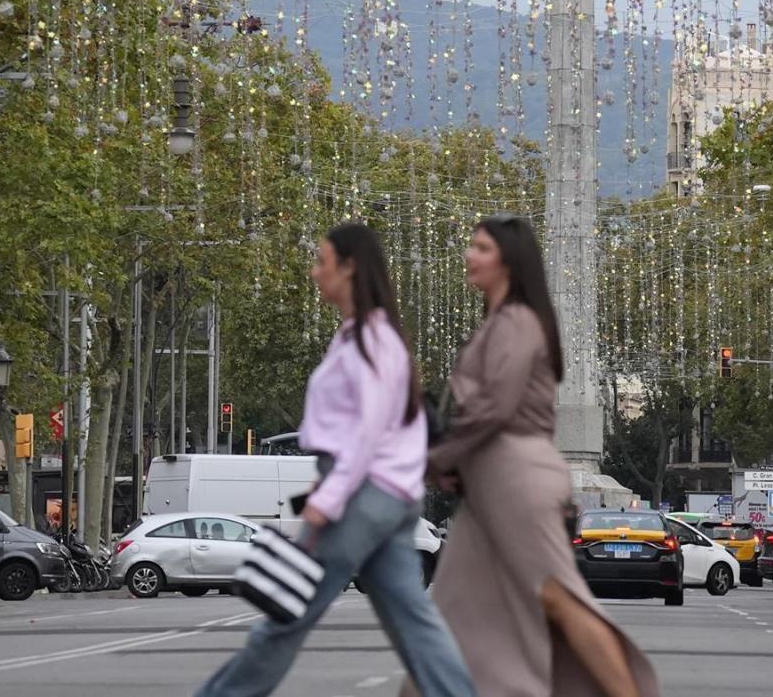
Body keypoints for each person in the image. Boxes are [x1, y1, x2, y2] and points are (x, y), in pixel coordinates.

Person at [196, 223, 473, 697]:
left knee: (286, 612)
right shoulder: (362, 335)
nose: (313, 272)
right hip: (382, 494)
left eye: (322, 261)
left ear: (349, 267)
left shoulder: (371, 339)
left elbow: (368, 431)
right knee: (414, 622)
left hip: (361, 492)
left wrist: (330, 496)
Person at [419, 215, 660, 697]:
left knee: (558, 600)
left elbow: (496, 409)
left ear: (508, 261)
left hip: (516, 482)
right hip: (489, 484)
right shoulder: (501, 322)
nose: (469, 255)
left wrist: (438, 456)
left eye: (481, 248)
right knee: (451, 612)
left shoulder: (518, 323)